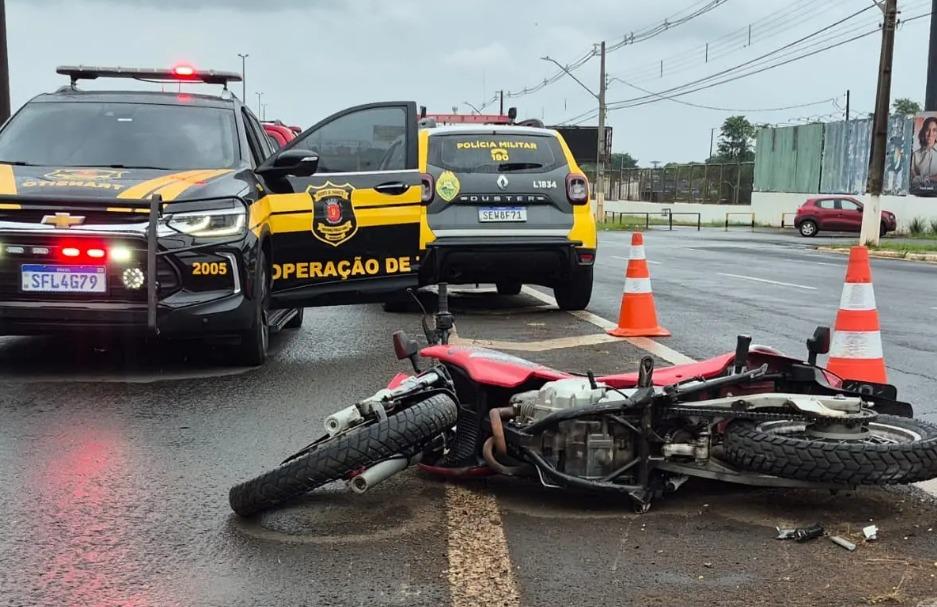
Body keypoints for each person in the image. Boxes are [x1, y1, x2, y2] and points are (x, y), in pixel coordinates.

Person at [910, 116, 937, 188]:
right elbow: (912, 176)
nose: (930, 134)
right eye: (928, 130)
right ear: (923, 132)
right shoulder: (916, 154)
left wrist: (928, 178)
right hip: (919, 195)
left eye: (934, 130)